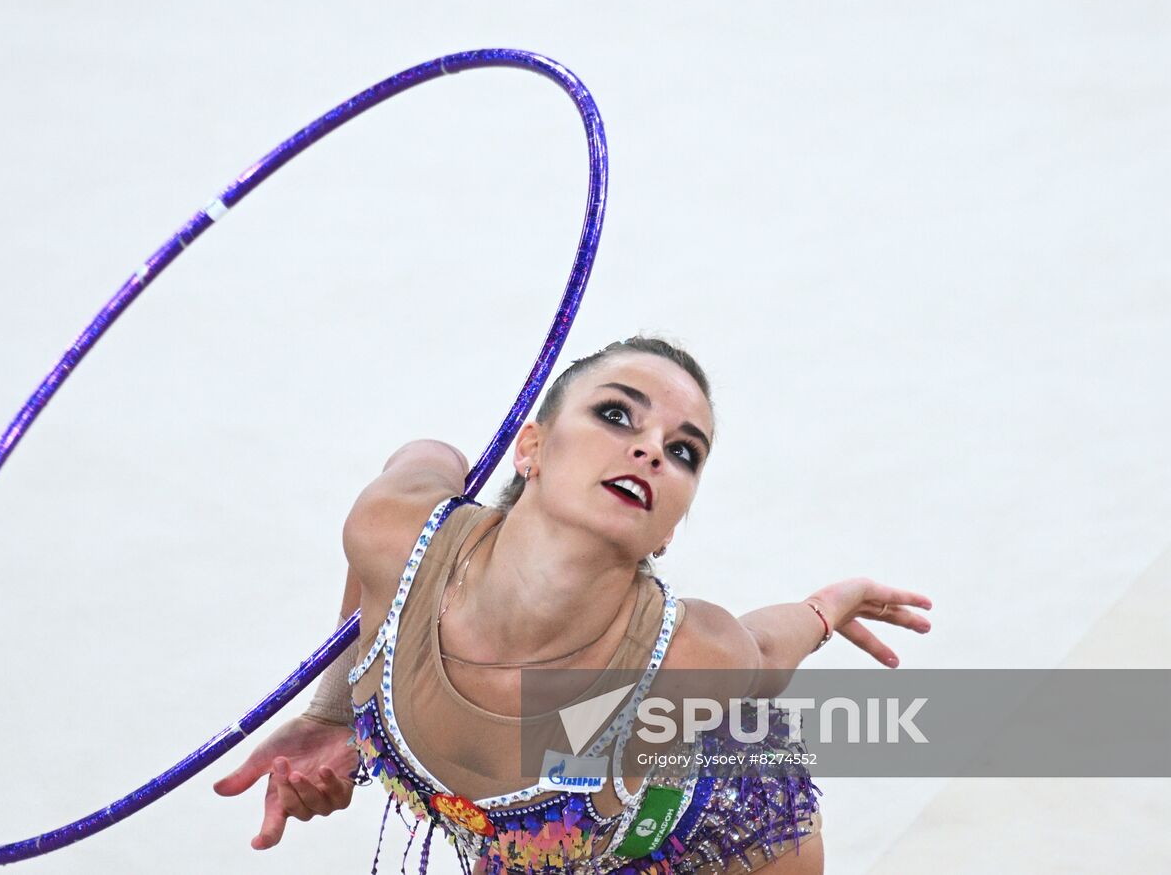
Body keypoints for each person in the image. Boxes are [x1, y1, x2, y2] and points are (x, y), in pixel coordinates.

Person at [214, 335, 932, 873]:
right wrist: (332, 710)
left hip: (717, 832)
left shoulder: (690, 654)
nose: (653, 450)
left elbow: (763, 652)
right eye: (618, 413)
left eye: (685, 451)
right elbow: (424, 460)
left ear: (672, 525)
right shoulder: (394, 532)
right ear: (530, 447)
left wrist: (824, 607)